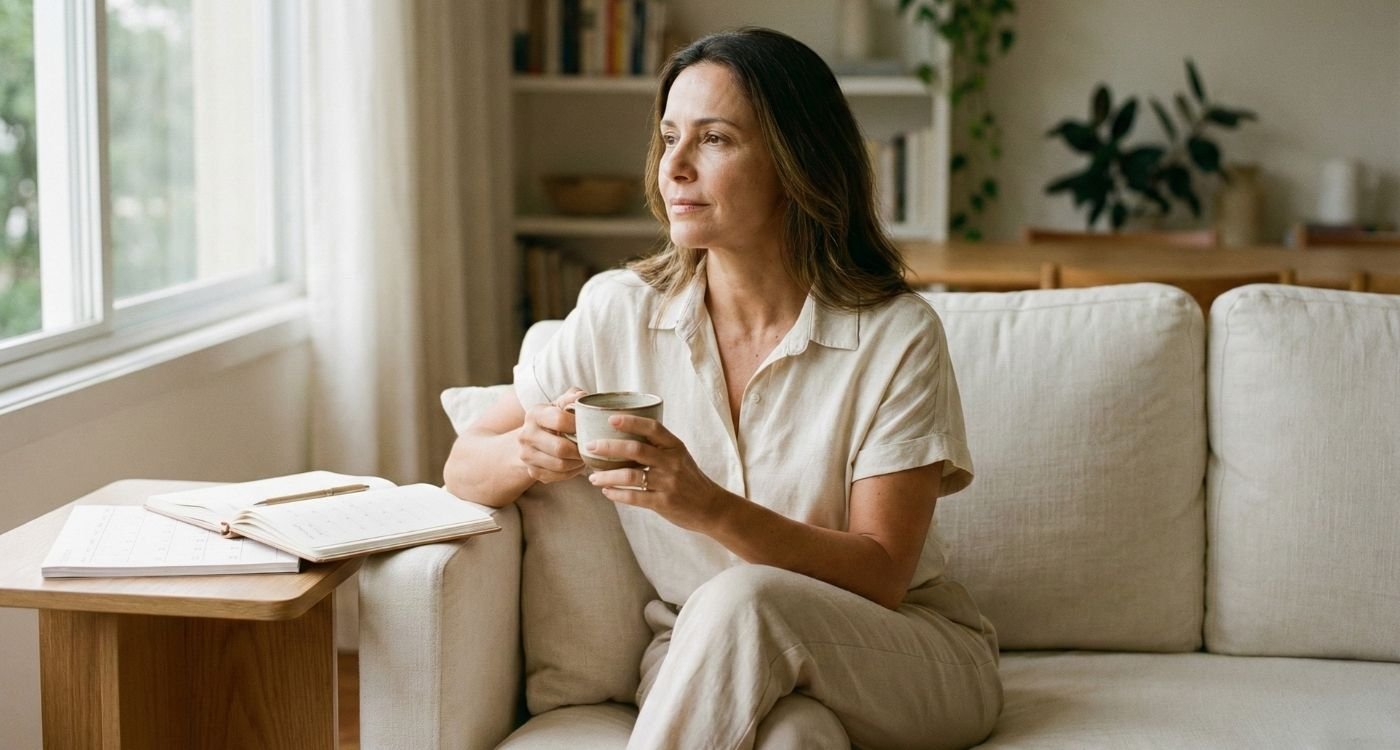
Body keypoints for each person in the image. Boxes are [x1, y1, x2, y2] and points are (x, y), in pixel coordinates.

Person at [446, 27, 1001, 750]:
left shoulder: (895, 335)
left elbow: (881, 574)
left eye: (714, 140)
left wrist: (704, 504)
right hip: (699, 657)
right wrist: (532, 453)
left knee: (744, 601)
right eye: (669, 136)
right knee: (796, 739)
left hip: (900, 654)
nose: (673, 167)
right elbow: (463, 467)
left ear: (796, 163)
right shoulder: (620, 312)